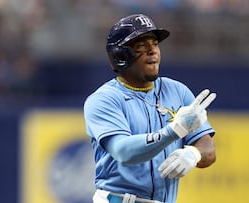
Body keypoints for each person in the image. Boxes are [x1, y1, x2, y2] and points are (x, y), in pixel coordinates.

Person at [83, 13, 217, 203]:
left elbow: (208, 148)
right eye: (141, 46)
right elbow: (123, 152)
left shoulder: (177, 91)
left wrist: (194, 154)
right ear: (120, 55)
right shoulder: (104, 99)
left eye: (154, 44)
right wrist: (174, 130)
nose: (152, 51)